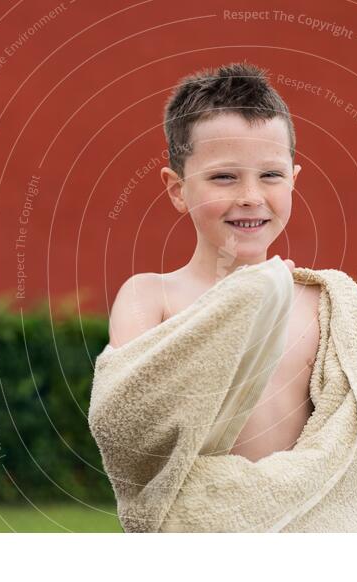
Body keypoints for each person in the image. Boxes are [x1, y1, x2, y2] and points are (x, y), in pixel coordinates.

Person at [105, 61, 322, 463]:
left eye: (271, 175)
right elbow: (129, 413)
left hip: (299, 518)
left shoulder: (318, 301)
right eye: (224, 177)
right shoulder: (151, 297)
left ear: (293, 181)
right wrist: (244, 302)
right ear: (178, 190)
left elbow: (346, 435)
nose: (251, 197)